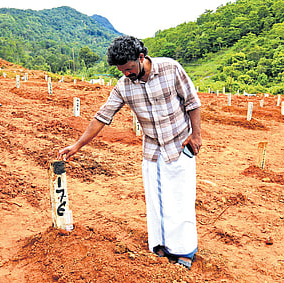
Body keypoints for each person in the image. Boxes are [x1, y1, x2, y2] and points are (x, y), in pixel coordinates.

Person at [57, 36, 202, 270]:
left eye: (129, 68)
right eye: (121, 70)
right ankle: (161, 245)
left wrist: (196, 135)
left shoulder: (170, 68)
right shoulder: (124, 86)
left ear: (141, 58)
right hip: (152, 150)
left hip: (180, 144)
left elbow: (192, 103)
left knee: (181, 198)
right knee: (156, 200)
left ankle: (184, 250)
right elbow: (102, 116)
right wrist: (77, 145)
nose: (126, 73)